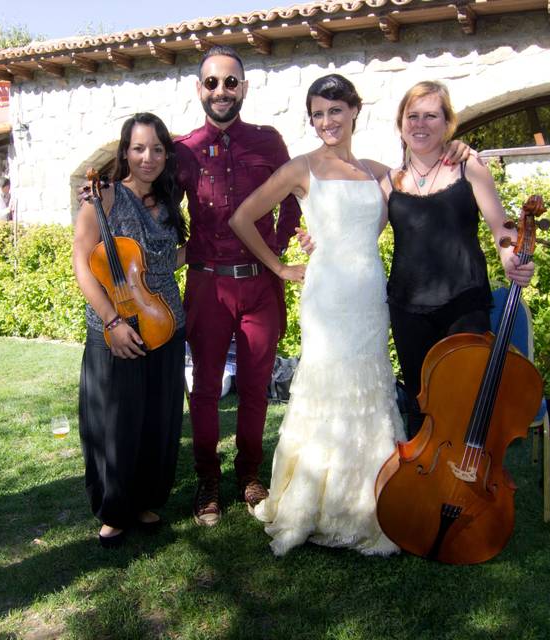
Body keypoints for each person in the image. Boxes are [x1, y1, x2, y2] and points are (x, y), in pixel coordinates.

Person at [229, 74, 406, 556]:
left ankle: (369, 502)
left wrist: (459, 156)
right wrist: (281, 266)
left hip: (370, 296)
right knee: (327, 388)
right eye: (317, 114)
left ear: (354, 111)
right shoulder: (302, 167)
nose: (326, 121)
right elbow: (242, 217)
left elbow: (425, 193)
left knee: (369, 388)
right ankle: (316, 502)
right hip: (326, 297)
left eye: (335, 110)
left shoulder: (379, 172)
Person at [175, 45, 303, 527]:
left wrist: (275, 250)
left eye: (231, 82)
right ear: (199, 89)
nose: (222, 91)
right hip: (208, 287)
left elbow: (292, 201)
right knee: (205, 390)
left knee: (255, 387)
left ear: (243, 88)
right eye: (212, 83)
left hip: (259, 288)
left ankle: (249, 474)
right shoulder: (183, 150)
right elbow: (161, 210)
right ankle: (208, 478)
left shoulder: (268, 143)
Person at [381, 81, 535, 438]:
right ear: (401, 123)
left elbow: (502, 229)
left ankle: (463, 483)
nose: (420, 124)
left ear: (447, 122)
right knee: (421, 403)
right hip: (407, 308)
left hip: (464, 303)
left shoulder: (470, 167)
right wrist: (319, 246)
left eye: (431, 116)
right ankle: (422, 484)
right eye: (413, 116)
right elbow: (358, 238)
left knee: (465, 399)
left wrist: (513, 258)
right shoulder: (388, 182)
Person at [71, 112, 188, 547]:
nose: (148, 157)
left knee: (158, 418)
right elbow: (83, 263)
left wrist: (203, 249)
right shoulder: (102, 198)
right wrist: (112, 321)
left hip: (165, 323)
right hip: (114, 325)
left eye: (157, 149)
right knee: (115, 420)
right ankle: (114, 508)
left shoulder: (168, 200)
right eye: (139, 148)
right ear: (125, 152)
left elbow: (162, 261)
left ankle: (145, 498)